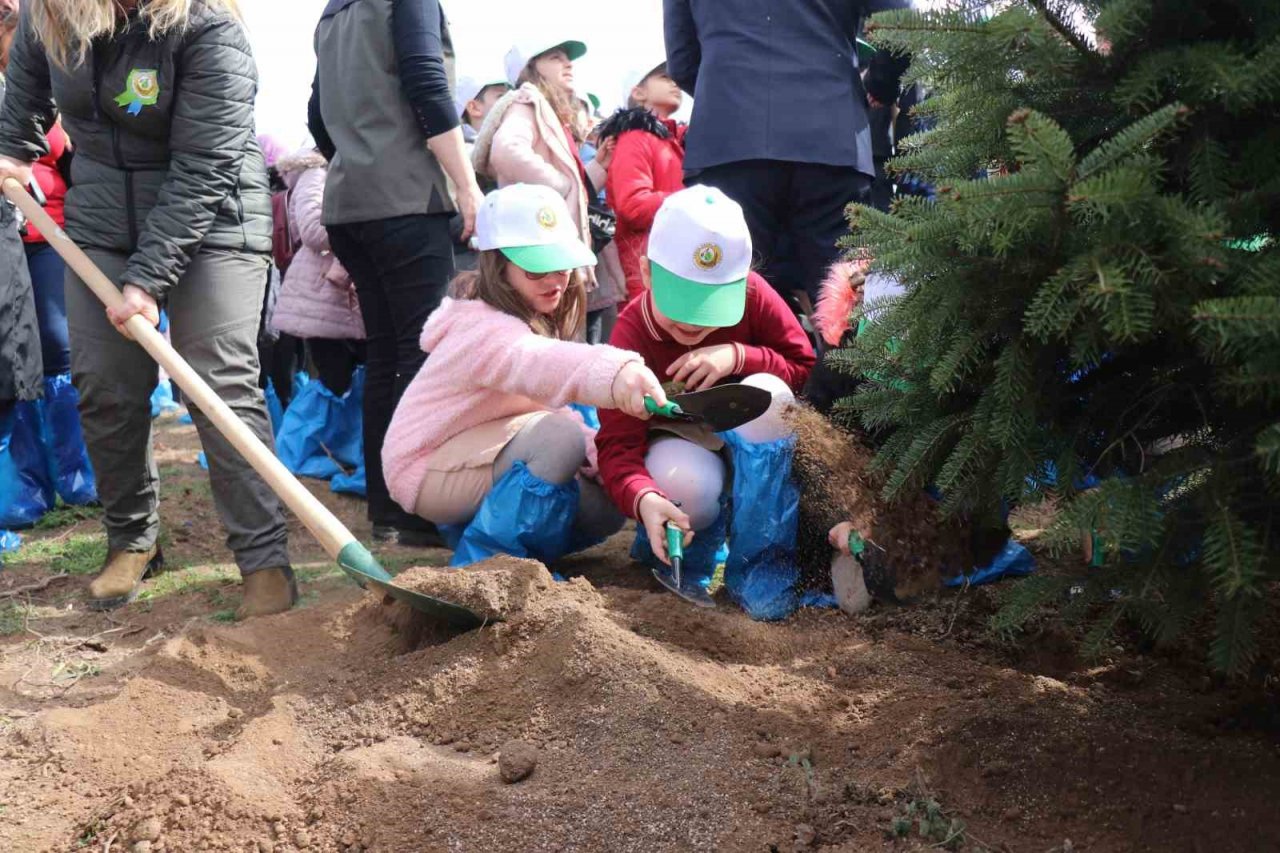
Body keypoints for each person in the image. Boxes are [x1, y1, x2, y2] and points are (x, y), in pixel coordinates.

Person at [0, 0, 293, 616]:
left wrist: (149, 281)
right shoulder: (50, 15)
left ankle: (265, 561)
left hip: (214, 220)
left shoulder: (209, 29)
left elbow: (205, 165)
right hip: (102, 221)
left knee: (220, 381)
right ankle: (132, 538)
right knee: (102, 383)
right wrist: (13, 150)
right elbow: (25, 88)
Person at [381, 184, 668, 566]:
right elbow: (537, 362)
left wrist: (606, 460)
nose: (555, 280)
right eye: (536, 268)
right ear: (498, 264)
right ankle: (490, 566)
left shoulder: (526, 318)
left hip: (475, 455)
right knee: (560, 439)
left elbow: (540, 407)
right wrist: (618, 371)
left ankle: (523, 554)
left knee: (606, 500)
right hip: (424, 467)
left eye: (562, 265)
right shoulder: (480, 328)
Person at [309, 0, 483, 548]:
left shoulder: (333, 14)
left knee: (387, 355)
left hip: (349, 204)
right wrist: (467, 185)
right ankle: (412, 507)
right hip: (405, 199)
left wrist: (358, 158)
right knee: (420, 351)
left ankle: (391, 509)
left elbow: (316, 113)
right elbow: (427, 83)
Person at [595, 187, 815, 600]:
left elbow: (803, 369)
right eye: (682, 302)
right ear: (646, 273)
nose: (694, 324)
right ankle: (682, 560)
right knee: (687, 485)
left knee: (771, 394)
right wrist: (643, 498)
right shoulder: (630, 333)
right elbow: (615, 444)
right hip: (681, 445)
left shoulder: (752, 294)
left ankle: (760, 566)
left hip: (753, 442)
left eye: (710, 305)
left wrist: (738, 355)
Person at [663, 0, 907, 306]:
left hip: (730, 139)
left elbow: (683, 60)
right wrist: (880, 85)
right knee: (843, 307)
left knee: (725, 301)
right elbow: (902, 20)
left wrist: (732, 94)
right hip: (831, 136)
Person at [471, 34, 616, 334]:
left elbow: (575, 191)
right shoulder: (527, 102)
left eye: (567, 57)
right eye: (555, 57)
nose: (567, 63)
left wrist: (597, 168)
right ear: (530, 68)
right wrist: (559, 185)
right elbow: (506, 150)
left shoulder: (551, 114)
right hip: (538, 252)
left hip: (553, 250)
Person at [270, 148, 365, 397]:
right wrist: (364, 227)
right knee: (334, 384)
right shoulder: (314, 174)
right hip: (321, 292)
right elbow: (311, 230)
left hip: (346, 293)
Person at [597, 61, 686, 301]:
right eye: (665, 77)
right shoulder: (635, 137)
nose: (674, 82)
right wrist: (692, 200)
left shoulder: (672, 139)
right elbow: (633, 206)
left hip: (669, 267)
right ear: (638, 92)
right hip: (647, 274)